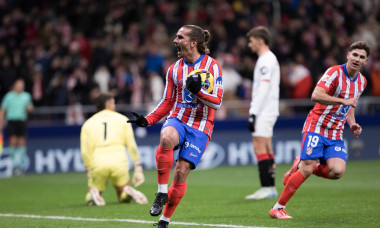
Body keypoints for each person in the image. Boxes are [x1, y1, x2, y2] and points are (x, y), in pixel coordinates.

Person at [128, 25, 223, 228]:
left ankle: (164, 220)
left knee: (181, 171)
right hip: (179, 118)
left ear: (193, 42)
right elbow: (167, 102)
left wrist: (200, 92)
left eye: (180, 37)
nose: (175, 40)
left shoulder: (213, 66)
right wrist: (148, 120)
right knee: (166, 137)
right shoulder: (174, 69)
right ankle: (161, 192)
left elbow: (217, 102)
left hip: (201, 125)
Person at [270, 41, 370, 219]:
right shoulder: (335, 73)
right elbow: (315, 95)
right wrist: (342, 101)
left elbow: (350, 106)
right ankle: (278, 208)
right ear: (348, 55)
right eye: (355, 55)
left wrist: (352, 123)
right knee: (307, 170)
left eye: (362, 57)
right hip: (317, 125)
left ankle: (301, 163)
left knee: (337, 172)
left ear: (366, 61)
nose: (357, 59)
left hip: (336, 132)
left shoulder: (361, 82)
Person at [80, 93, 147, 206]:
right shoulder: (123, 119)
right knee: (122, 193)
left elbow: (84, 151)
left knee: (92, 190)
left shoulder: (88, 123)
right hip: (119, 160)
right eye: (113, 102)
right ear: (108, 104)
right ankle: (126, 192)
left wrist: (88, 170)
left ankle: (93, 194)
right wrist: (138, 167)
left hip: (98, 161)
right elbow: (132, 145)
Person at [245, 26, 280, 200]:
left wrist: (253, 112)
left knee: (259, 144)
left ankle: (266, 187)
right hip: (269, 109)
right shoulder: (268, 59)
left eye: (251, 41)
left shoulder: (266, 60)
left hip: (264, 110)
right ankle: (270, 187)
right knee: (266, 145)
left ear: (260, 41)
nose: (249, 44)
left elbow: (263, 89)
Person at [0, 78, 34, 176]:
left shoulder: (26, 96)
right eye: (19, 84)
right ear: (15, 85)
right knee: (13, 141)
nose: (20, 86)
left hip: (22, 121)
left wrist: (30, 108)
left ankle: (21, 166)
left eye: (22, 85)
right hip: (12, 121)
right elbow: (2, 110)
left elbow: (30, 107)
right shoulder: (9, 96)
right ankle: (13, 166)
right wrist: (0, 122)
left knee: (22, 142)